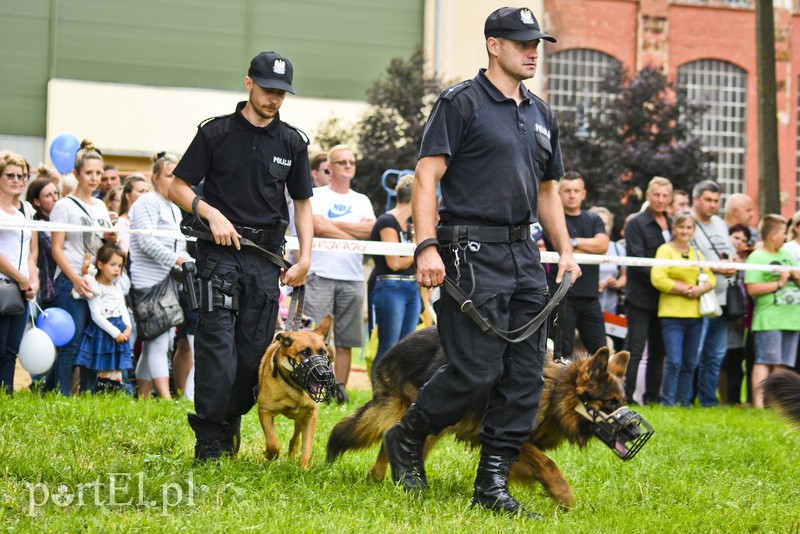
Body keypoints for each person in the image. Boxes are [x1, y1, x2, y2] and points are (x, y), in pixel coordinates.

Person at [384, 7, 580, 520]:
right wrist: (425, 246)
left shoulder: (542, 113)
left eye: (537, 42)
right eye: (522, 42)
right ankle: (408, 435)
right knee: (475, 370)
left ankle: (491, 484)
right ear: (494, 45)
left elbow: (547, 190)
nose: (533, 50)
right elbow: (426, 177)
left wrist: (566, 250)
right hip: (468, 252)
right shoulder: (460, 102)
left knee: (522, 376)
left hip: (523, 255)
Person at [169, 50, 313, 462]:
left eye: (282, 93)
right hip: (218, 255)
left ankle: (229, 419)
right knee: (217, 349)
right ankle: (211, 440)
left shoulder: (292, 142)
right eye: (268, 90)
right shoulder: (215, 133)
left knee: (252, 355)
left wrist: (306, 256)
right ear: (248, 83)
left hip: (265, 259)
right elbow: (177, 186)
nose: (275, 100)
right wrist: (209, 213)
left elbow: (301, 203)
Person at [305, 143, 375, 403]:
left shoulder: (362, 200)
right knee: (315, 336)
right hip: (321, 274)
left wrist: (331, 225)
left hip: (353, 277)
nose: (348, 166)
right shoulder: (317, 195)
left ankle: (339, 389)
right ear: (329, 168)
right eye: (342, 162)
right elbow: (317, 225)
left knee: (347, 339)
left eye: (351, 162)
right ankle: (313, 387)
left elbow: (372, 231)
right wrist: (351, 230)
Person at [50, 140, 115, 395]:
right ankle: (62, 394)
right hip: (71, 281)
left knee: (91, 338)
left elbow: (101, 242)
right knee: (71, 341)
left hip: (95, 281)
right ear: (77, 174)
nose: (95, 178)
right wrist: (75, 279)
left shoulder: (100, 205)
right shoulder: (63, 206)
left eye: (98, 173)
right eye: (89, 172)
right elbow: (57, 249)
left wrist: (111, 239)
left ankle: (82, 392)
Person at [129, 153, 190, 400]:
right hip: (147, 282)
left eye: (178, 176)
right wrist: (178, 260)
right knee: (157, 342)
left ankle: (142, 398)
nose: (174, 180)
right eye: (169, 175)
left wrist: (188, 261)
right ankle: (165, 399)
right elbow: (145, 241)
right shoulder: (146, 203)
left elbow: (179, 247)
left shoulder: (174, 207)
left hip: (167, 282)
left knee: (159, 340)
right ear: (155, 178)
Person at [651, 210, 715, 406]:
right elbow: (658, 278)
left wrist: (700, 288)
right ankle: (668, 402)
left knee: (689, 363)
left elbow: (711, 278)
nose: (685, 231)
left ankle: (684, 402)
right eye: (681, 227)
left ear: (694, 230)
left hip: (695, 315)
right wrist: (686, 289)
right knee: (674, 361)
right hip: (672, 315)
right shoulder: (665, 250)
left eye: (689, 227)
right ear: (674, 229)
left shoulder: (697, 253)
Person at [544, 172, 608, 357]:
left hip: (590, 298)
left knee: (601, 353)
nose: (572, 195)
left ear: (583, 193)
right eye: (567, 191)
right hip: (563, 296)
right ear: (558, 193)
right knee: (561, 353)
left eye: (576, 190)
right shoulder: (553, 221)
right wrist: (584, 246)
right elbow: (563, 251)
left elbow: (603, 245)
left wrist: (571, 243)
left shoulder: (594, 219)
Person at [623, 176, 672, 404]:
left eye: (665, 195)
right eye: (657, 195)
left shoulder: (673, 223)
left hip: (666, 299)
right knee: (634, 350)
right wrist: (666, 279)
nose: (660, 200)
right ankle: (625, 397)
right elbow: (636, 260)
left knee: (658, 353)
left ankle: (652, 398)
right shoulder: (636, 223)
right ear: (649, 196)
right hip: (640, 298)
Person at [745, 214, 800, 408]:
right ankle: (759, 405)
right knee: (764, 361)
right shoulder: (757, 257)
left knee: (782, 365)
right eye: (784, 233)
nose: (786, 237)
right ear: (773, 234)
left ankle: (777, 406)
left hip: (792, 318)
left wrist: (795, 275)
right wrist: (779, 283)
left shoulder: (786, 255)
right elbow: (751, 289)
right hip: (769, 318)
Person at [368, 174, 420, 378]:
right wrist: (418, 251)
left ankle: (398, 397)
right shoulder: (387, 221)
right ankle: (378, 399)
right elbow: (395, 263)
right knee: (388, 345)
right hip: (391, 287)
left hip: (411, 288)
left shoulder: (410, 225)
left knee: (406, 347)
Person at [690, 180, 736, 407]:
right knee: (695, 353)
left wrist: (732, 262)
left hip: (723, 296)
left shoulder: (719, 222)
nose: (712, 205)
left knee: (715, 354)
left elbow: (729, 251)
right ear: (696, 199)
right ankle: (685, 399)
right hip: (699, 298)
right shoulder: (688, 223)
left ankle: (709, 400)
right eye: (707, 200)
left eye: (716, 201)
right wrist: (718, 267)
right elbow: (689, 257)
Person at [0, 151, 37, 394]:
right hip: (4, 285)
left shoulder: (27, 211)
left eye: (21, 176)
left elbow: (32, 251)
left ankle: (7, 393)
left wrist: (32, 279)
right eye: (10, 175)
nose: (17, 180)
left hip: (23, 289)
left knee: (12, 348)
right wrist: (20, 277)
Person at [73, 244, 132, 391]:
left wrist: (128, 327)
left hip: (119, 328)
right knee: (98, 364)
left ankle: (113, 392)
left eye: (119, 265)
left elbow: (122, 307)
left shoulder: (117, 286)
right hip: (103, 330)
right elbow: (96, 316)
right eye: (112, 265)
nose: (117, 269)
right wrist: (115, 333)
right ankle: (93, 392)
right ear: (100, 264)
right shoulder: (94, 287)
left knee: (115, 365)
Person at [721, 223, 753, 405]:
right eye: (736, 237)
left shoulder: (749, 262)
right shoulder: (722, 258)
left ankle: (733, 400)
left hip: (739, 315)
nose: (739, 243)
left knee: (735, 359)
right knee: (719, 359)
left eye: (744, 240)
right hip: (721, 311)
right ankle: (721, 399)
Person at [26, 176, 60, 309]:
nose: (55, 198)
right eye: (48, 195)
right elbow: (57, 249)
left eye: (56, 193)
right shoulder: (38, 226)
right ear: (37, 202)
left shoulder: (59, 221)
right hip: (50, 291)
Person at [115, 174, 149, 257]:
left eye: (147, 192)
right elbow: (126, 253)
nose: (146, 195)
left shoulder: (148, 221)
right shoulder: (121, 223)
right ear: (128, 196)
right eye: (141, 191)